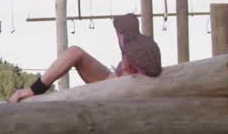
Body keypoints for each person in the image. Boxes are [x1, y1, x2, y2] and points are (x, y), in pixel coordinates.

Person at [9, 13, 162, 103]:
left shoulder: (140, 47)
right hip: (111, 79)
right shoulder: (126, 45)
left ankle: (33, 90)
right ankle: (33, 90)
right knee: (75, 52)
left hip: (121, 88)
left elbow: (151, 71)